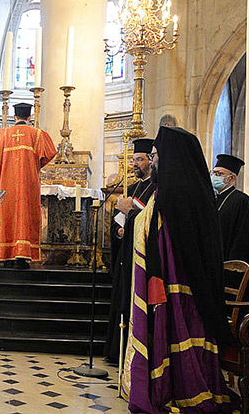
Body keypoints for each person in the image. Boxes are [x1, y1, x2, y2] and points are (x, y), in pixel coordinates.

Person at [121, 127, 234, 413]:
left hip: (178, 284)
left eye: (156, 155)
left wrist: (132, 216)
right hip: (181, 281)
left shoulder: (176, 192)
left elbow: (162, 234)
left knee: (180, 333)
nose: (153, 161)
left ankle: (181, 389)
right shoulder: (188, 189)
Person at [103, 138, 156, 364]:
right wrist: (119, 231)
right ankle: (116, 351)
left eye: (139, 159)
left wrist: (131, 219)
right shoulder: (130, 189)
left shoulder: (156, 190)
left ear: (150, 161)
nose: (135, 164)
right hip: (126, 253)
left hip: (142, 256)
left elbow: (150, 221)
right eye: (133, 160)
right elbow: (118, 221)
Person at [0, 103, 57, 269]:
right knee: (25, 216)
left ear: (14, 117)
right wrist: (35, 165)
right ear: (29, 117)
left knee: (7, 217)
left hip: (6, 186)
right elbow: (50, 153)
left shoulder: (2, 134)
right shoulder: (37, 134)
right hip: (29, 185)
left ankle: (7, 256)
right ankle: (22, 257)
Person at [211, 154, 249, 300]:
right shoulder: (214, 199)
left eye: (219, 174)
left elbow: (244, 240)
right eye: (213, 173)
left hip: (232, 264)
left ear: (232, 178)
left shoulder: (242, 201)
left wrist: (229, 266)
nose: (214, 177)